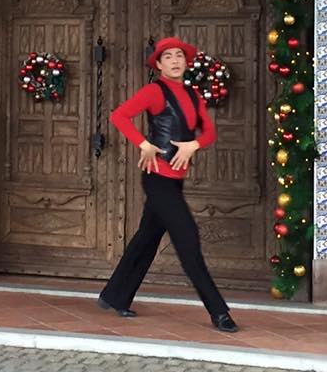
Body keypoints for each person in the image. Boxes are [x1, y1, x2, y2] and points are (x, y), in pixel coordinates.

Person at [97, 36, 238, 333]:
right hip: (157, 178)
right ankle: (219, 311)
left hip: (175, 182)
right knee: (189, 242)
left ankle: (115, 295)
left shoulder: (192, 93)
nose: (175, 61)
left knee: (146, 239)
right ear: (159, 64)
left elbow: (209, 132)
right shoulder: (154, 91)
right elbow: (118, 116)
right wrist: (144, 144)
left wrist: (193, 145)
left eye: (179, 56)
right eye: (168, 57)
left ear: (186, 62)